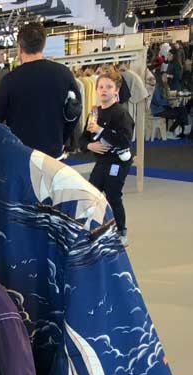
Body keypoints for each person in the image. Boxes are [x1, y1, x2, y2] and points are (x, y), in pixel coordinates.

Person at [0, 22, 80, 158]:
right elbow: (75, 111)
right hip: (53, 152)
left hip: (21, 154)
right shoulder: (64, 73)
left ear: (19, 47)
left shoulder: (10, 79)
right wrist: (63, 138)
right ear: (43, 45)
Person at [79, 69, 134, 244]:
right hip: (102, 162)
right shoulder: (94, 113)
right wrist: (89, 145)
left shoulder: (121, 113)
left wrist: (101, 130)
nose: (104, 90)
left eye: (109, 87)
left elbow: (125, 140)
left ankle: (121, 232)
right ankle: (91, 228)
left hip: (117, 162)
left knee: (113, 196)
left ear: (116, 90)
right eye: (101, 86)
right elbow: (83, 139)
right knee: (91, 193)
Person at [150, 69, 190, 138]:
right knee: (181, 113)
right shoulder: (156, 87)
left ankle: (180, 131)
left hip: (164, 108)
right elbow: (158, 101)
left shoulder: (164, 86)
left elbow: (166, 98)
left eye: (166, 76)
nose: (166, 78)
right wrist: (169, 103)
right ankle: (178, 131)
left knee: (182, 110)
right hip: (158, 110)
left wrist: (170, 103)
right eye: (164, 76)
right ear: (159, 77)